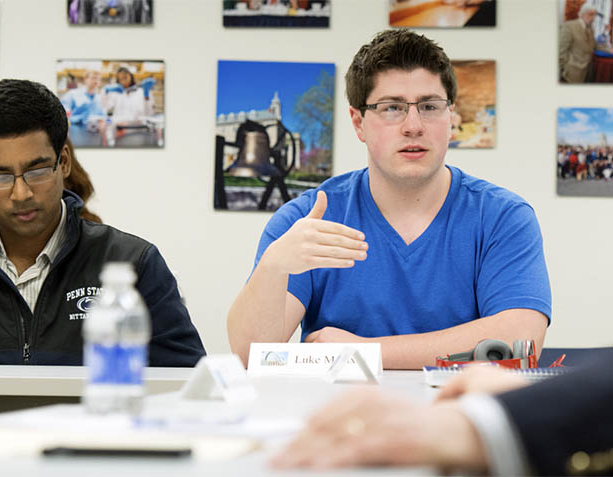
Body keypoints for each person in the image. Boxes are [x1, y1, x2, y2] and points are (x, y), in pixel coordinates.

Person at [227, 29, 551, 369]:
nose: (414, 126)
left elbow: (520, 342)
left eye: (429, 106)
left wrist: (365, 352)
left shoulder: (502, 217)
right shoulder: (308, 220)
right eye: (392, 107)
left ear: (451, 119)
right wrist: (273, 266)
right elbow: (250, 356)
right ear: (358, 123)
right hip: (341, 418)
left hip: (459, 417)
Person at [0, 79, 206, 367]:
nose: (21, 193)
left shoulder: (132, 263)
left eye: (37, 170)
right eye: (0, 175)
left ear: (64, 163)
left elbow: (184, 387)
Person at [272, 361, 613, 476]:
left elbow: (513, 335)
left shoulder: (499, 213)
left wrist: (485, 422)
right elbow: (252, 347)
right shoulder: (306, 217)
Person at [0, 138, 102, 223]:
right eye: (1, 177)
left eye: (37, 173)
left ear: (64, 164)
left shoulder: (101, 246)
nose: (21, 195)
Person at [559, 3, 598, 84]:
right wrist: (567, 69)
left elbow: (595, 45)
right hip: (572, 73)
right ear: (582, 14)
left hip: (587, 72)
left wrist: (609, 49)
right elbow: (561, 51)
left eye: (594, 15)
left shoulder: (591, 29)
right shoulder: (569, 26)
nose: (593, 18)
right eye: (591, 14)